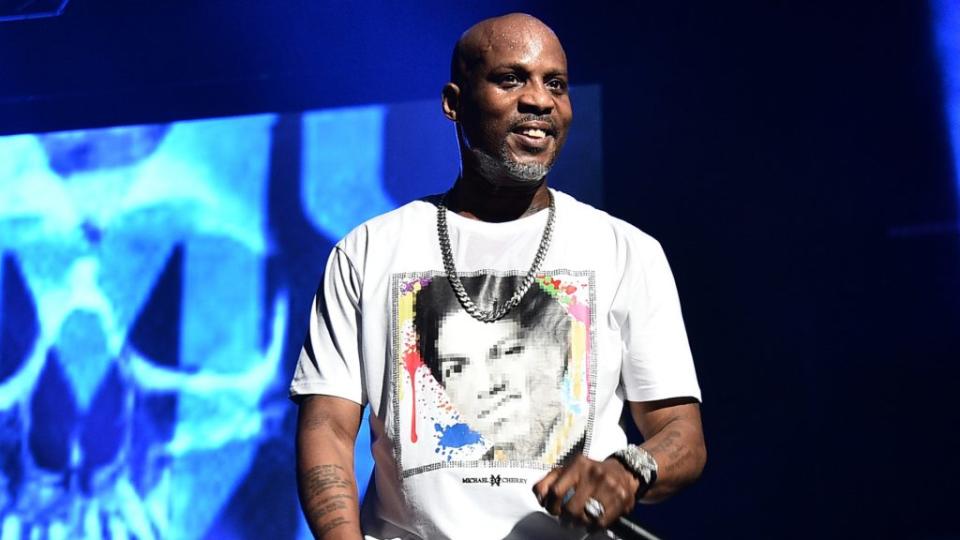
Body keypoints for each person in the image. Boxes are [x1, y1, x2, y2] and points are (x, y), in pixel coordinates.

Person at [290, 12, 706, 540]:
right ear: (453, 102)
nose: (540, 100)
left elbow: (682, 435)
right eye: (511, 79)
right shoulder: (369, 250)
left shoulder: (627, 251)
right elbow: (326, 425)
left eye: (555, 84)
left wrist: (627, 469)